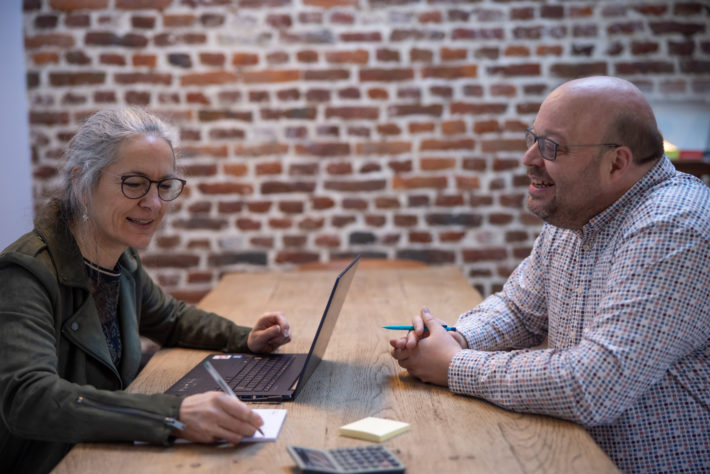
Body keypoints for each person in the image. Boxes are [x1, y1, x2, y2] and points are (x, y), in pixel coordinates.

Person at [389, 76, 709, 473]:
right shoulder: (577, 207)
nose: (529, 158)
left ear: (617, 163)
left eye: (551, 146)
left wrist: (455, 366)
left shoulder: (675, 225)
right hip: (570, 453)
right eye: (532, 138)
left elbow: (593, 385)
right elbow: (521, 310)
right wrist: (455, 337)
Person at [0, 107, 293, 473]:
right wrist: (174, 415)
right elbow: (30, 399)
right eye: (134, 183)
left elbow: (171, 318)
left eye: (164, 185)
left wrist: (246, 338)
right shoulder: (24, 273)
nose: (153, 204)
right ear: (81, 182)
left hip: (104, 453)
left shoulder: (121, 261)